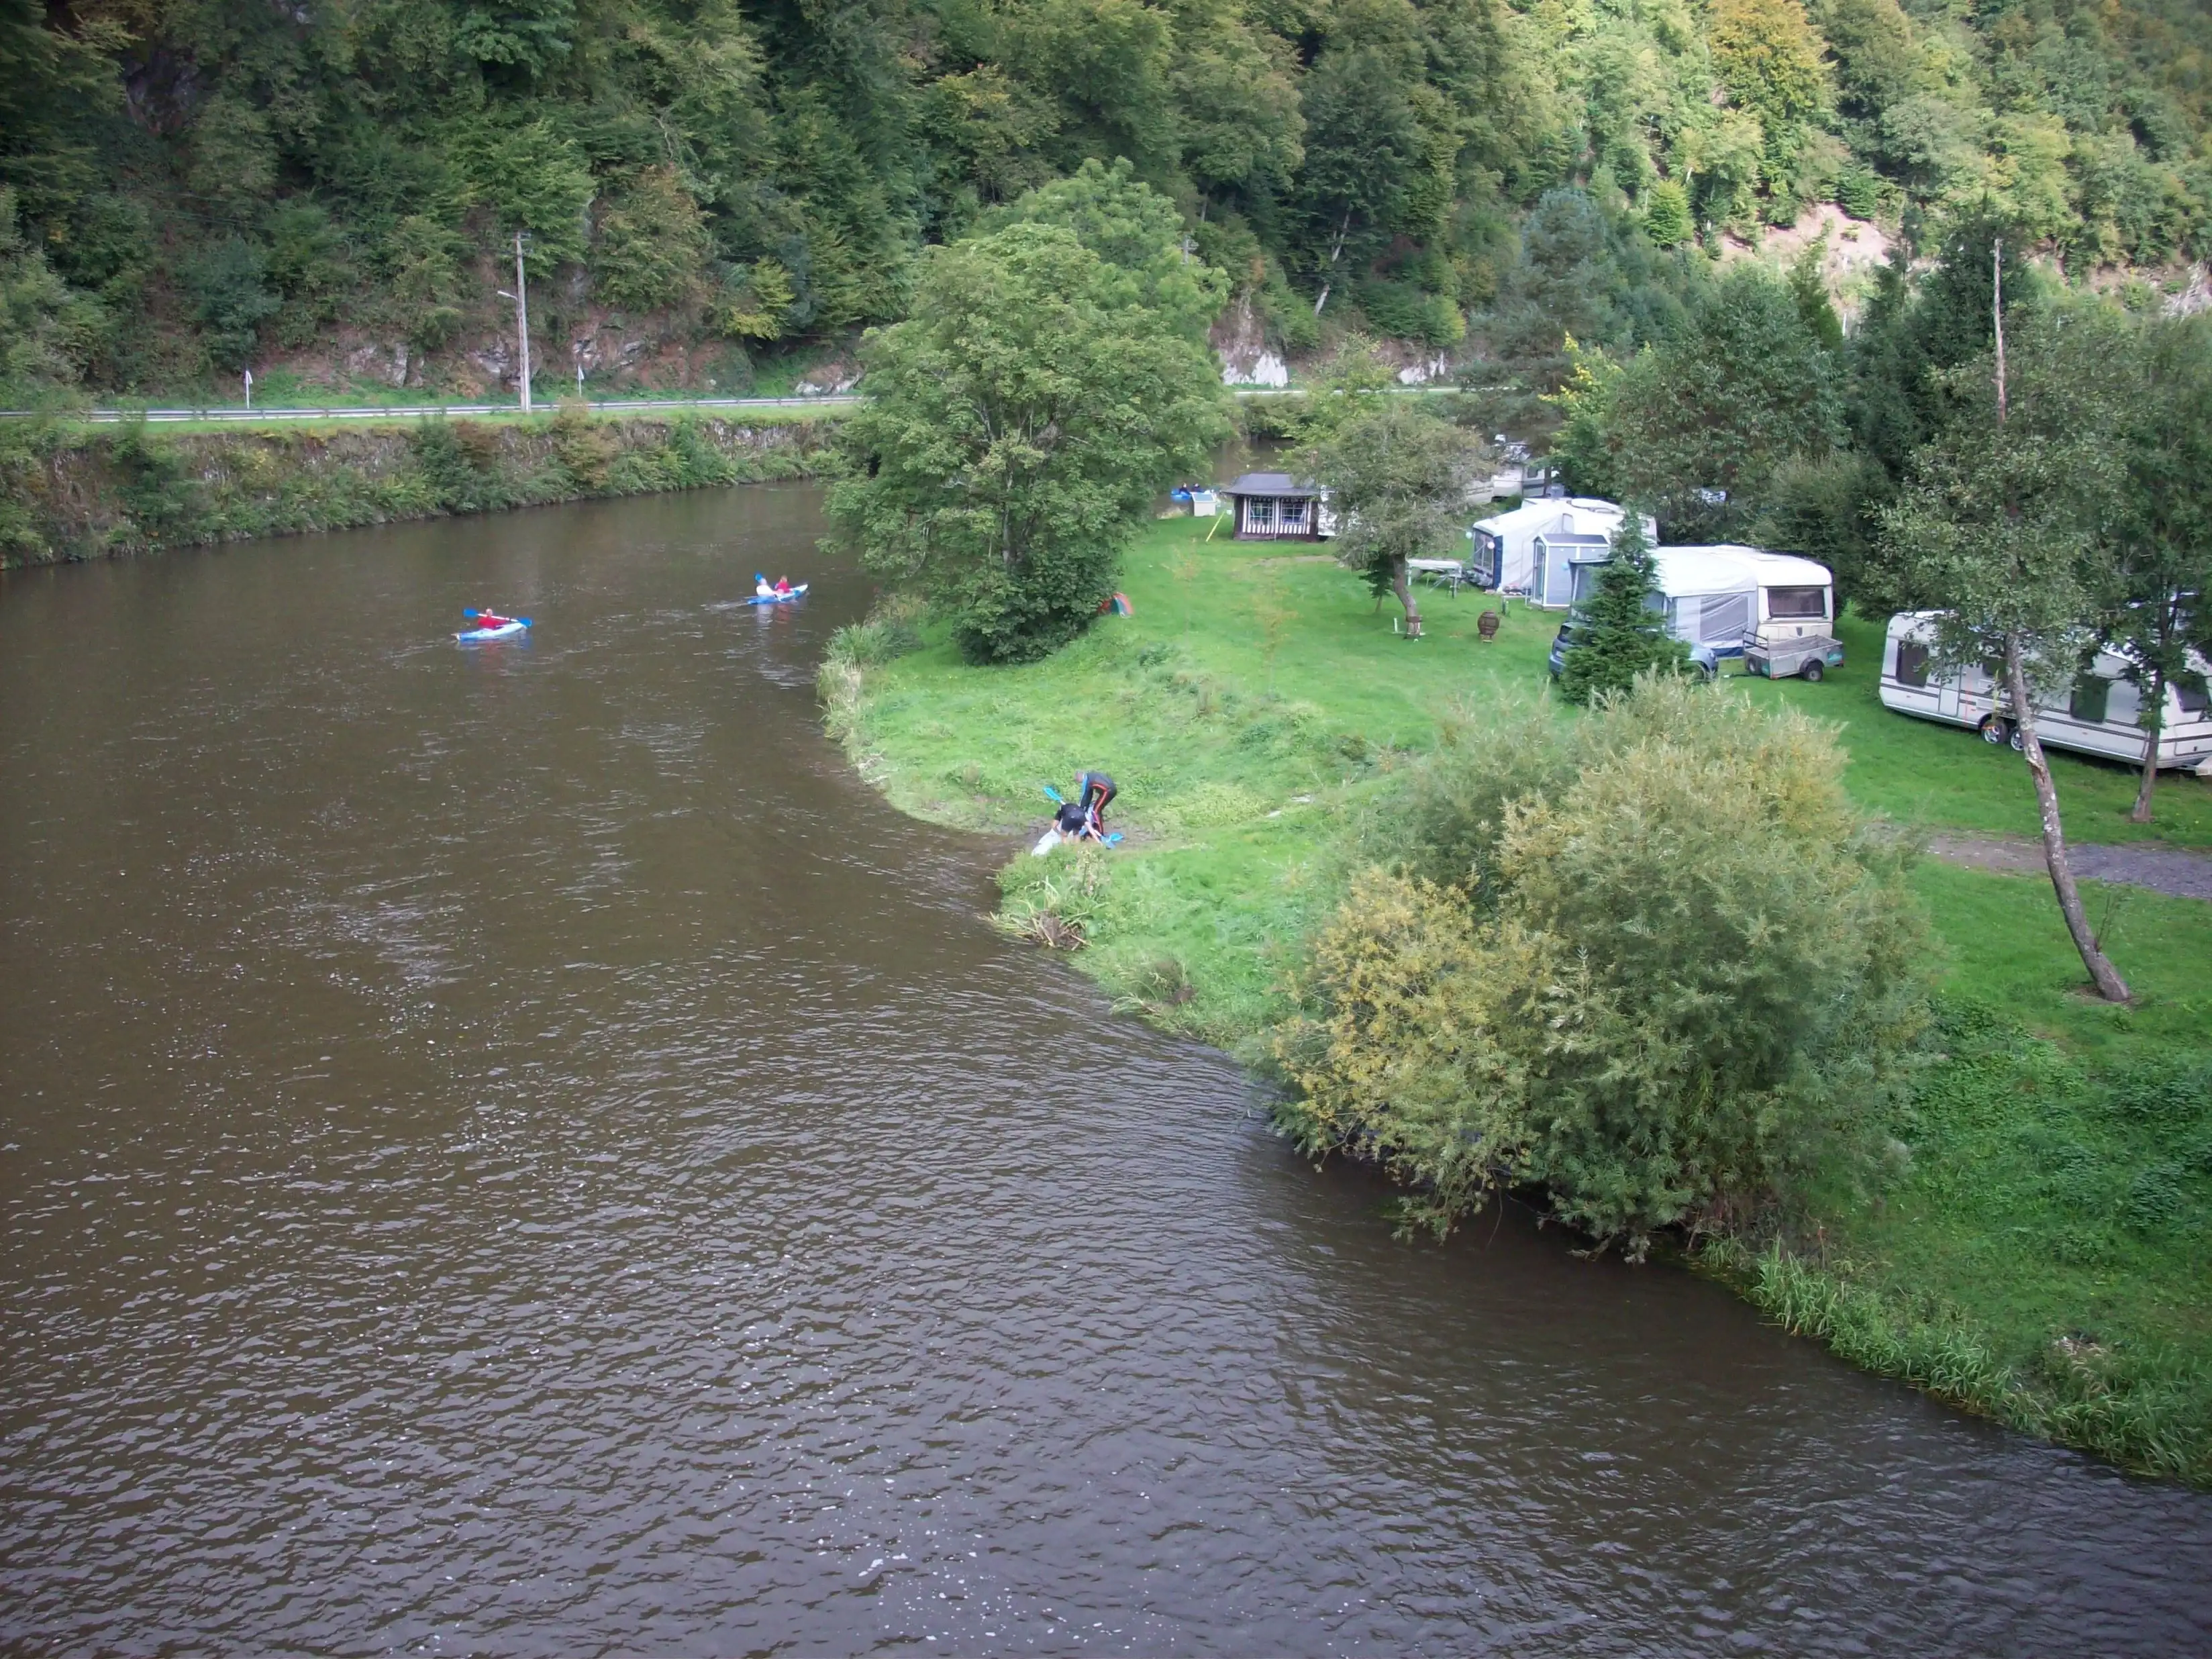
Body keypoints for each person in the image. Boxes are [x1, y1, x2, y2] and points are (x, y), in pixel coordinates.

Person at [1076, 770, 1115, 838]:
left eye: (1078, 781)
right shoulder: (1090, 776)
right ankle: (1096, 827)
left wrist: (1081, 809)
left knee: (1096, 811)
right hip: (1111, 789)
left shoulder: (1087, 781)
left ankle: (1100, 834)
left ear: (1079, 777)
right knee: (1097, 809)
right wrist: (1086, 808)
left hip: (1108, 791)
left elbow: (1085, 796)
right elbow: (1089, 795)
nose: (1080, 783)